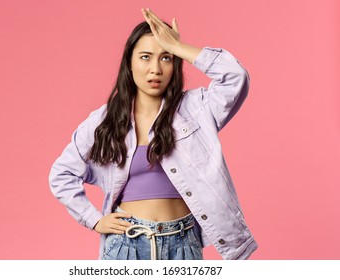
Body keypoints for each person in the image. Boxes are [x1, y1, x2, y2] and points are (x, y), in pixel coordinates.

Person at [49, 8, 258, 260]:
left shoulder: (196, 109)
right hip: (127, 244)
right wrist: (94, 220)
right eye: (145, 57)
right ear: (129, 62)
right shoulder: (104, 120)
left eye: (166, 58)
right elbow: (62, 174)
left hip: (183, 243)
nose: (155, 69)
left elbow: (236, 77)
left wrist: (178, 46)